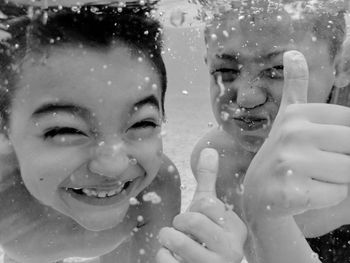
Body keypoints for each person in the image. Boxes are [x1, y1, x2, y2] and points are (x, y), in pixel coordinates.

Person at [0, 2, 246, 263]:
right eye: (65, 130)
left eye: (141, 124)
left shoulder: (156, 187)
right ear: (5, 130)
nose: (114, 166)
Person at [190, 0, 350, 262]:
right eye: (226, 70)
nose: (246, 98)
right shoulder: (220, 162)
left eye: (278, 70)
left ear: (343, 67)